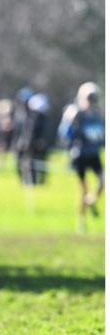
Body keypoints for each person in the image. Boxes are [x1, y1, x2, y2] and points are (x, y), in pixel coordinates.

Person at [64, 82, 104, 228]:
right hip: (79, 155)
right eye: (89, 98)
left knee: (103, 182)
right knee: (84, 190)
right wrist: (70, 122)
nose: (91, 101)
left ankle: (91, 200)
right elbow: (65, 135)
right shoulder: (76, 114)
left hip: (94, 154)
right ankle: (82, 221)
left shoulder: (98, 116)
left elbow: (102, 135)